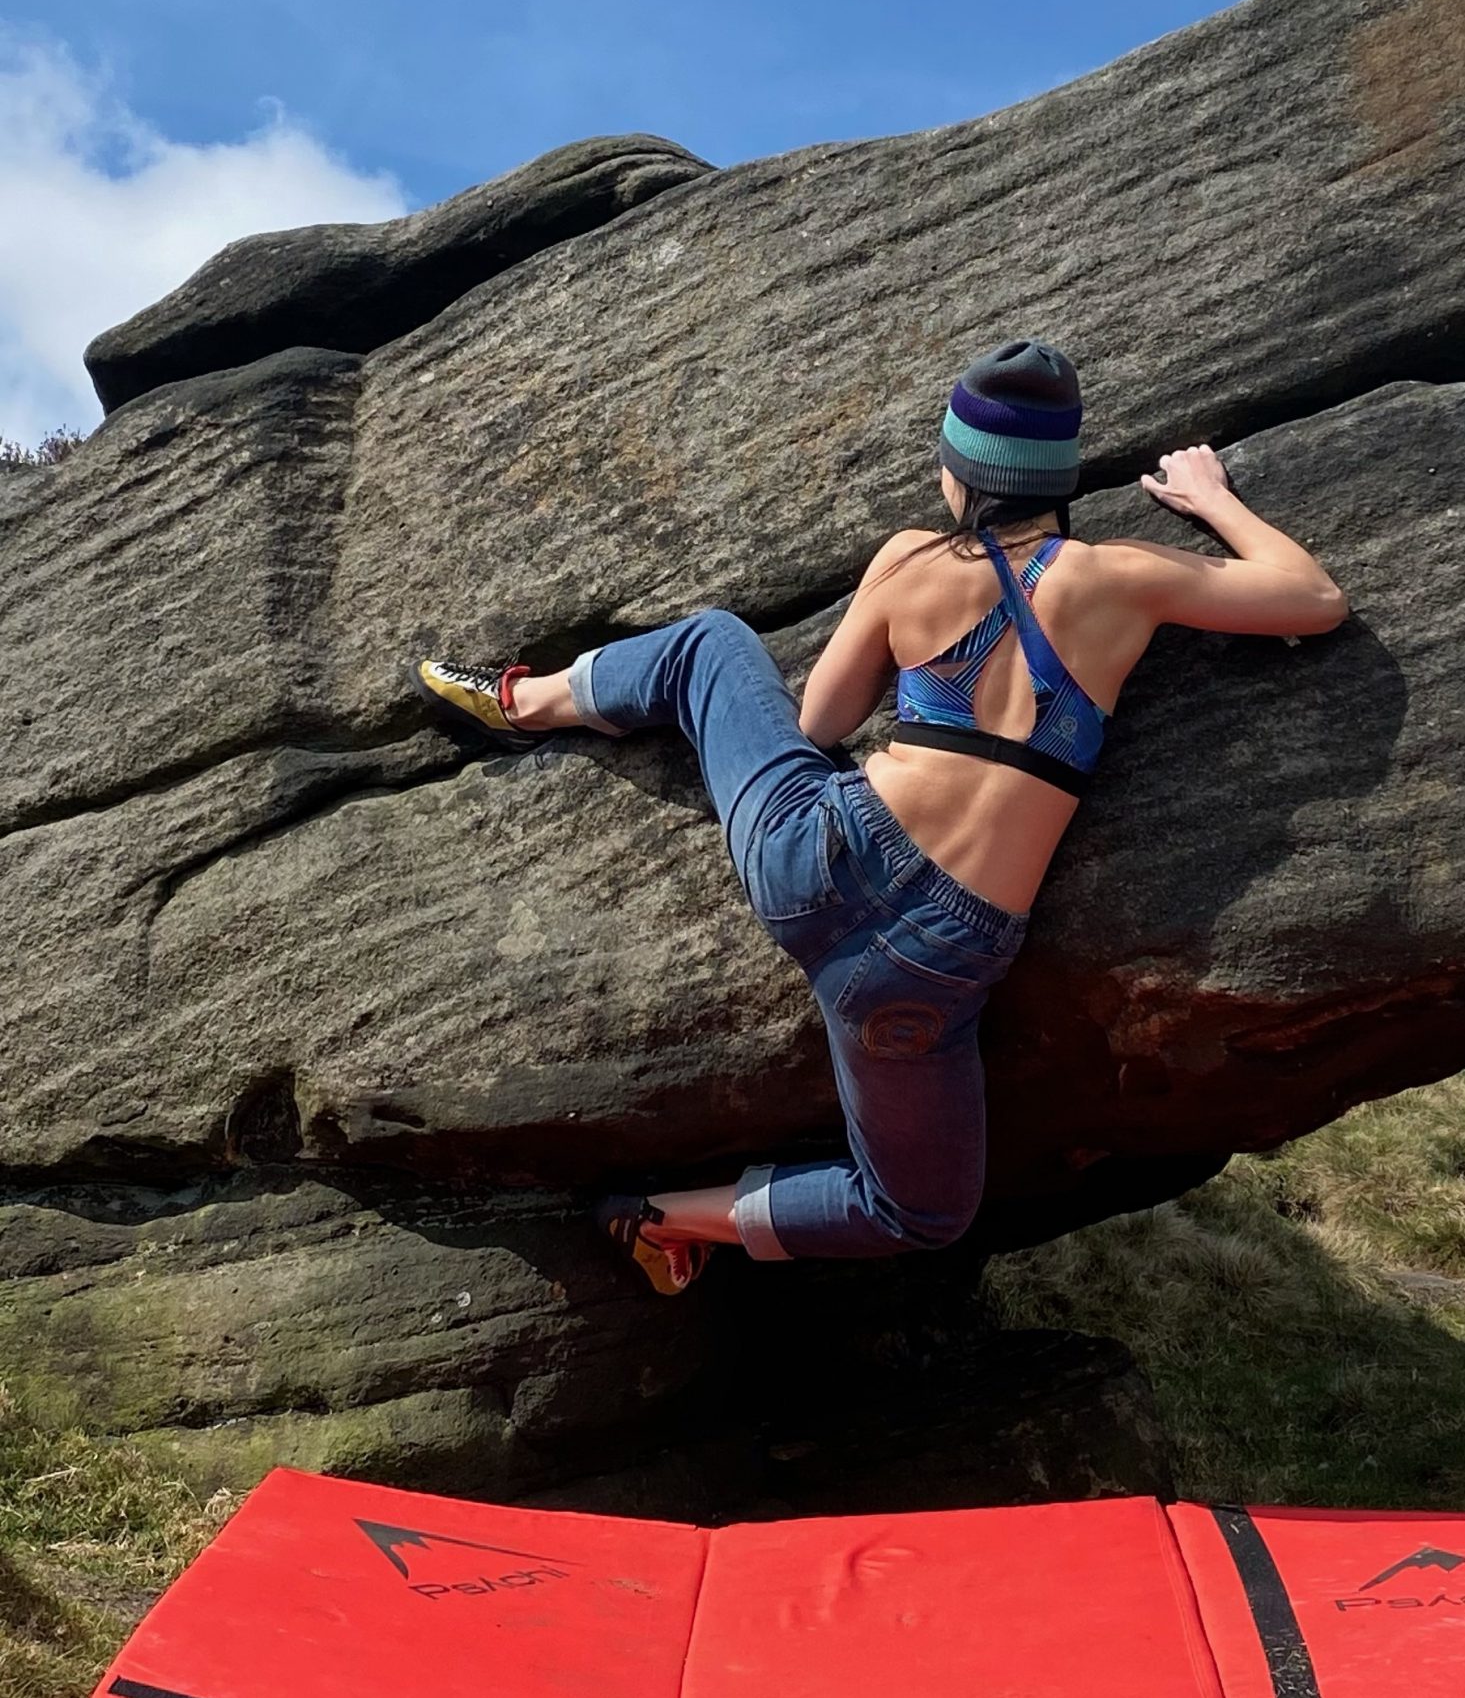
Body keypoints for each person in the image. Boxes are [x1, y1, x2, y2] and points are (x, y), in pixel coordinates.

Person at [418, 339, 1346, 1294]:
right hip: (931, 964)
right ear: (1057, 479)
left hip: (817, 855)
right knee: (921, 1212)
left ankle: (523, 705)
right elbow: (1314, 600)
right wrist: (1212, 499)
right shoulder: (1123, 578)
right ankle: (659, 1219)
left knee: (708, 645)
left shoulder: (910, 560)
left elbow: (819, 721)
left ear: (960, 473)